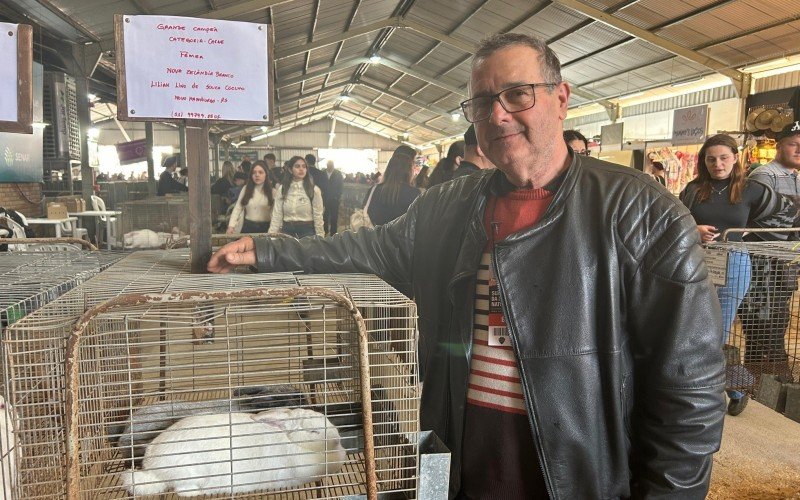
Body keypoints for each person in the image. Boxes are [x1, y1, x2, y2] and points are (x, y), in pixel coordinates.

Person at [209, 33, 724, 499]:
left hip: (576, 471)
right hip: (463, 453)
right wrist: (267, 250)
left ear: (561, 98)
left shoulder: (639, 211)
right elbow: (366, 249)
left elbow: (689, 386)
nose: (498, 115)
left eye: (518, 94)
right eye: (482, 102)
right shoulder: (448, 205)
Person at [679, 133, 794, 416]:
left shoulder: (750, 188)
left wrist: (752, 233)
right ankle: (733, 386)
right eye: (711, 159)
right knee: (695, 328)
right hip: (697, 262)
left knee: (716, 330)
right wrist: (693, 230)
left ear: (735, 157)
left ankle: (718, 391)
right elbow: (676, 219)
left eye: (723, 158)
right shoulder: (693, 190)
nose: (717, 164)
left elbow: (789, 211)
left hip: (735, 265)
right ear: (703, 161)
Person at [738, 120, 800, 375]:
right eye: (793, 145)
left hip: (786, 256)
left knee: (777, 312)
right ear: (779, 146)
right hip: (765, 255)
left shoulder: (795, 176)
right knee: (762, 313)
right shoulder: (765, 175)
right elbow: (761, 218)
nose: (798, 150)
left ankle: (762, 370)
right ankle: (767, 369)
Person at [268, 156, 324, 238]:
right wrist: (271, 235)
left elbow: (318, 215)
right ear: (290, 170)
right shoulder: (283, 189)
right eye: (297, 166)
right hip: (287, 231)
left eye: (304, 167)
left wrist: (320, 236)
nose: (301, 169)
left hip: (307, 231)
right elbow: (277, 214)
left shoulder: (314, 190)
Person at [364, 153, 420, 226]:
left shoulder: (374, 189)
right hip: (401, 236)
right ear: (408, 171)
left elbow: (367, 211)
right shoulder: (414, 193)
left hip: (375, 235)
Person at [227, 160, 274, 234]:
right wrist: (231, 226)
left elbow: (277, 213)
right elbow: (237, 208)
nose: (257, 175)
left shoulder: (273, 192)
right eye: (254, 172)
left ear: (266, 174)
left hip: (266, 229)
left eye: (260, 172)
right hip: (248, 228)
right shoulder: (245, 189)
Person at [318, 160, 344, 235]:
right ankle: (325, 231)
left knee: (334, 216)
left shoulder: (338, 173)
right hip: (324, 199)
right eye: (328, 165)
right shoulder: (322, 173)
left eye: (331, 165)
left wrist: (338, 196)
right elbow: (320, 184)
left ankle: (333, 232)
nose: (330, 166)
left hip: (334, 199)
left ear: (333, 165)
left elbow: (341, 185)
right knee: (324, 216)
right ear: (327, 165)